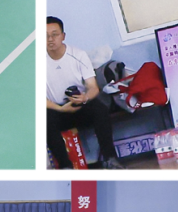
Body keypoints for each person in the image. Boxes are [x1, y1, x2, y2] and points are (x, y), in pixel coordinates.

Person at [46, 17, 123, 169]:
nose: (50, 39)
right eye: (46, 36)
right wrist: (61, 108)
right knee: (43, 119)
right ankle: (65, 167)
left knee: (100, 108)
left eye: (54, 34)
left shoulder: (78, 55)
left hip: (80, 105)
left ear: (63, 36)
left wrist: (85, 97)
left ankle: (110, 159)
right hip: (57, 110)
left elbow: (93, 87)